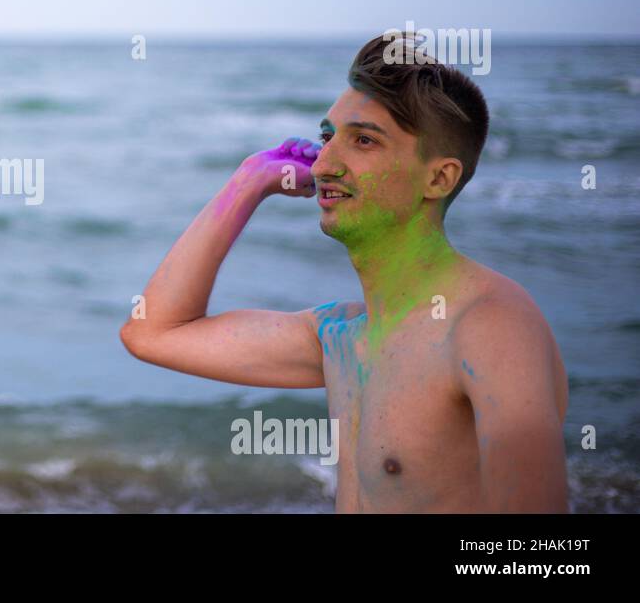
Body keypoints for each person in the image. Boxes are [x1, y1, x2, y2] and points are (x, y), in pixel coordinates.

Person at [120, 33, 569, 512]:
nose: (325, 162)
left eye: (364, 141)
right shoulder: (342, 337)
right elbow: (152, 333)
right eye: (327, 137)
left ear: (438, 178)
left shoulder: (490, 327)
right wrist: (249, 179)